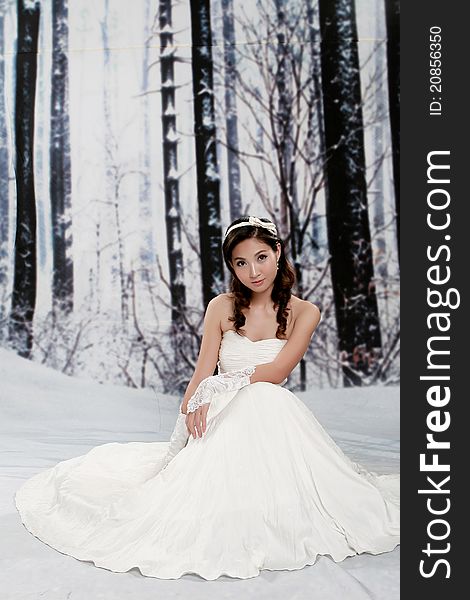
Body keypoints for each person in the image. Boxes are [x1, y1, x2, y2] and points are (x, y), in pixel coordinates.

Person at [15, 215, 400, 581]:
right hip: (224, 414)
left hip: (273, 419)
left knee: (265, 397)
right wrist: (190, 411)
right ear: (232, 268)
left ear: (278, 252)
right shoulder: (222, 307)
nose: (254, 272)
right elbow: (203, 372)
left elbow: (279, 371)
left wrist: (222, 384)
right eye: (241, 263)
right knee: (182, 494)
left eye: (261, 258)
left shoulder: (305, 311)